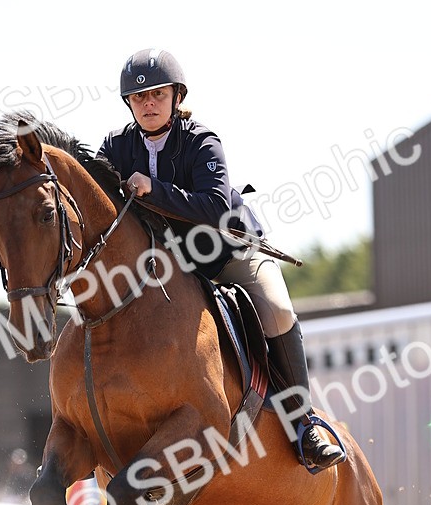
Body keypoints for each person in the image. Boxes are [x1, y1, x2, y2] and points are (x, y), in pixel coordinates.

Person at [98, 48, 346, 473]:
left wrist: (151, 189)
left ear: (177, 96)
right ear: (129, 104)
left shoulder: (200, 141)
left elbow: (214, 207)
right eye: (140, 98)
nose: (149, 103)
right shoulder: (116, 146)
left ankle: (303, 424)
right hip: (167, 264)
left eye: (158, 94)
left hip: (224, 251)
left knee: (278, 310)